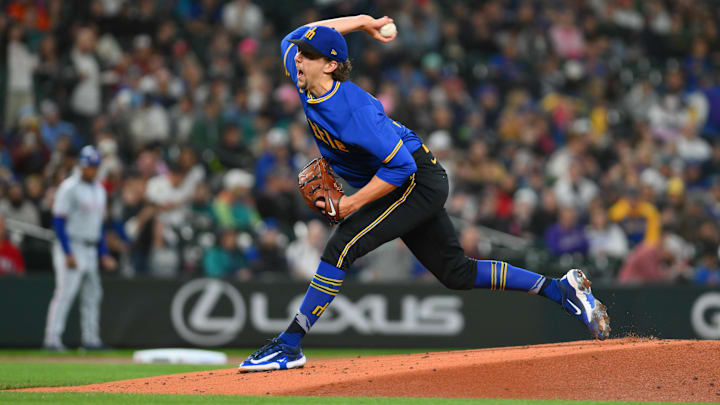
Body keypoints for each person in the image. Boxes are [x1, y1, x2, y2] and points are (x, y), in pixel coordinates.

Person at [238, 15, 610, 373]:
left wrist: (351, 203)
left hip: (415, 180)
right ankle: (561, 290)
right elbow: (302, 34)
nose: (297, 57)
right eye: (301, 53)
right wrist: (364, 21)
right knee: (456, 272)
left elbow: (402, 167)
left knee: (342, 247)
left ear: (331, 66)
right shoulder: (304, 74)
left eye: (308, 55)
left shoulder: (354, 112)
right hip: (400, 177)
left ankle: (288, 344)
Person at [44, 146, 117, 351]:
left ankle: (91, 339)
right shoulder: (69, 187)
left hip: (91, 247)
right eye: (88, 166)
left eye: (94, 166)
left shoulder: (100, 189)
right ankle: (52, 340)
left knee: (93, 294)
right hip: (72, 244)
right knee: (65, 293)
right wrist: (67, 252)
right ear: (81, 165)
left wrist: (104, 253)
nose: (91, 170)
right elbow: (58, 221)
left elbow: (101, 225)